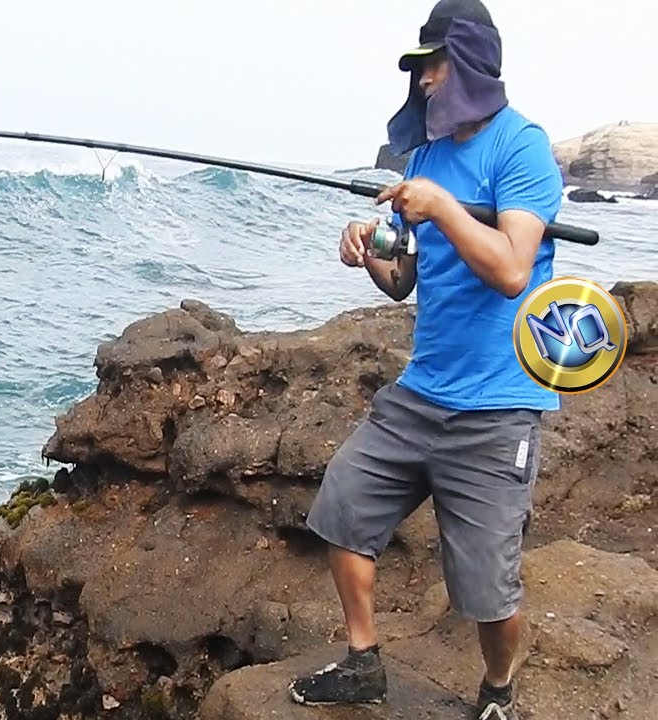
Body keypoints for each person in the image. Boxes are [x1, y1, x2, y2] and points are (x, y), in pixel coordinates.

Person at [286, 1, 564, 719]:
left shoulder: (522, 148)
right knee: (342, 509)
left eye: (433, 64)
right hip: (422, 390)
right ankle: (362, 660)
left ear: (469, 65)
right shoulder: (426, 156)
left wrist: (441, 206)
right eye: (419, 67)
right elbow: (406, 278)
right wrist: (367, 250)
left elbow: (510, 269)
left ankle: (498, 689)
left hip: (501, 403)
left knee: (485, 590)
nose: (426, 80)